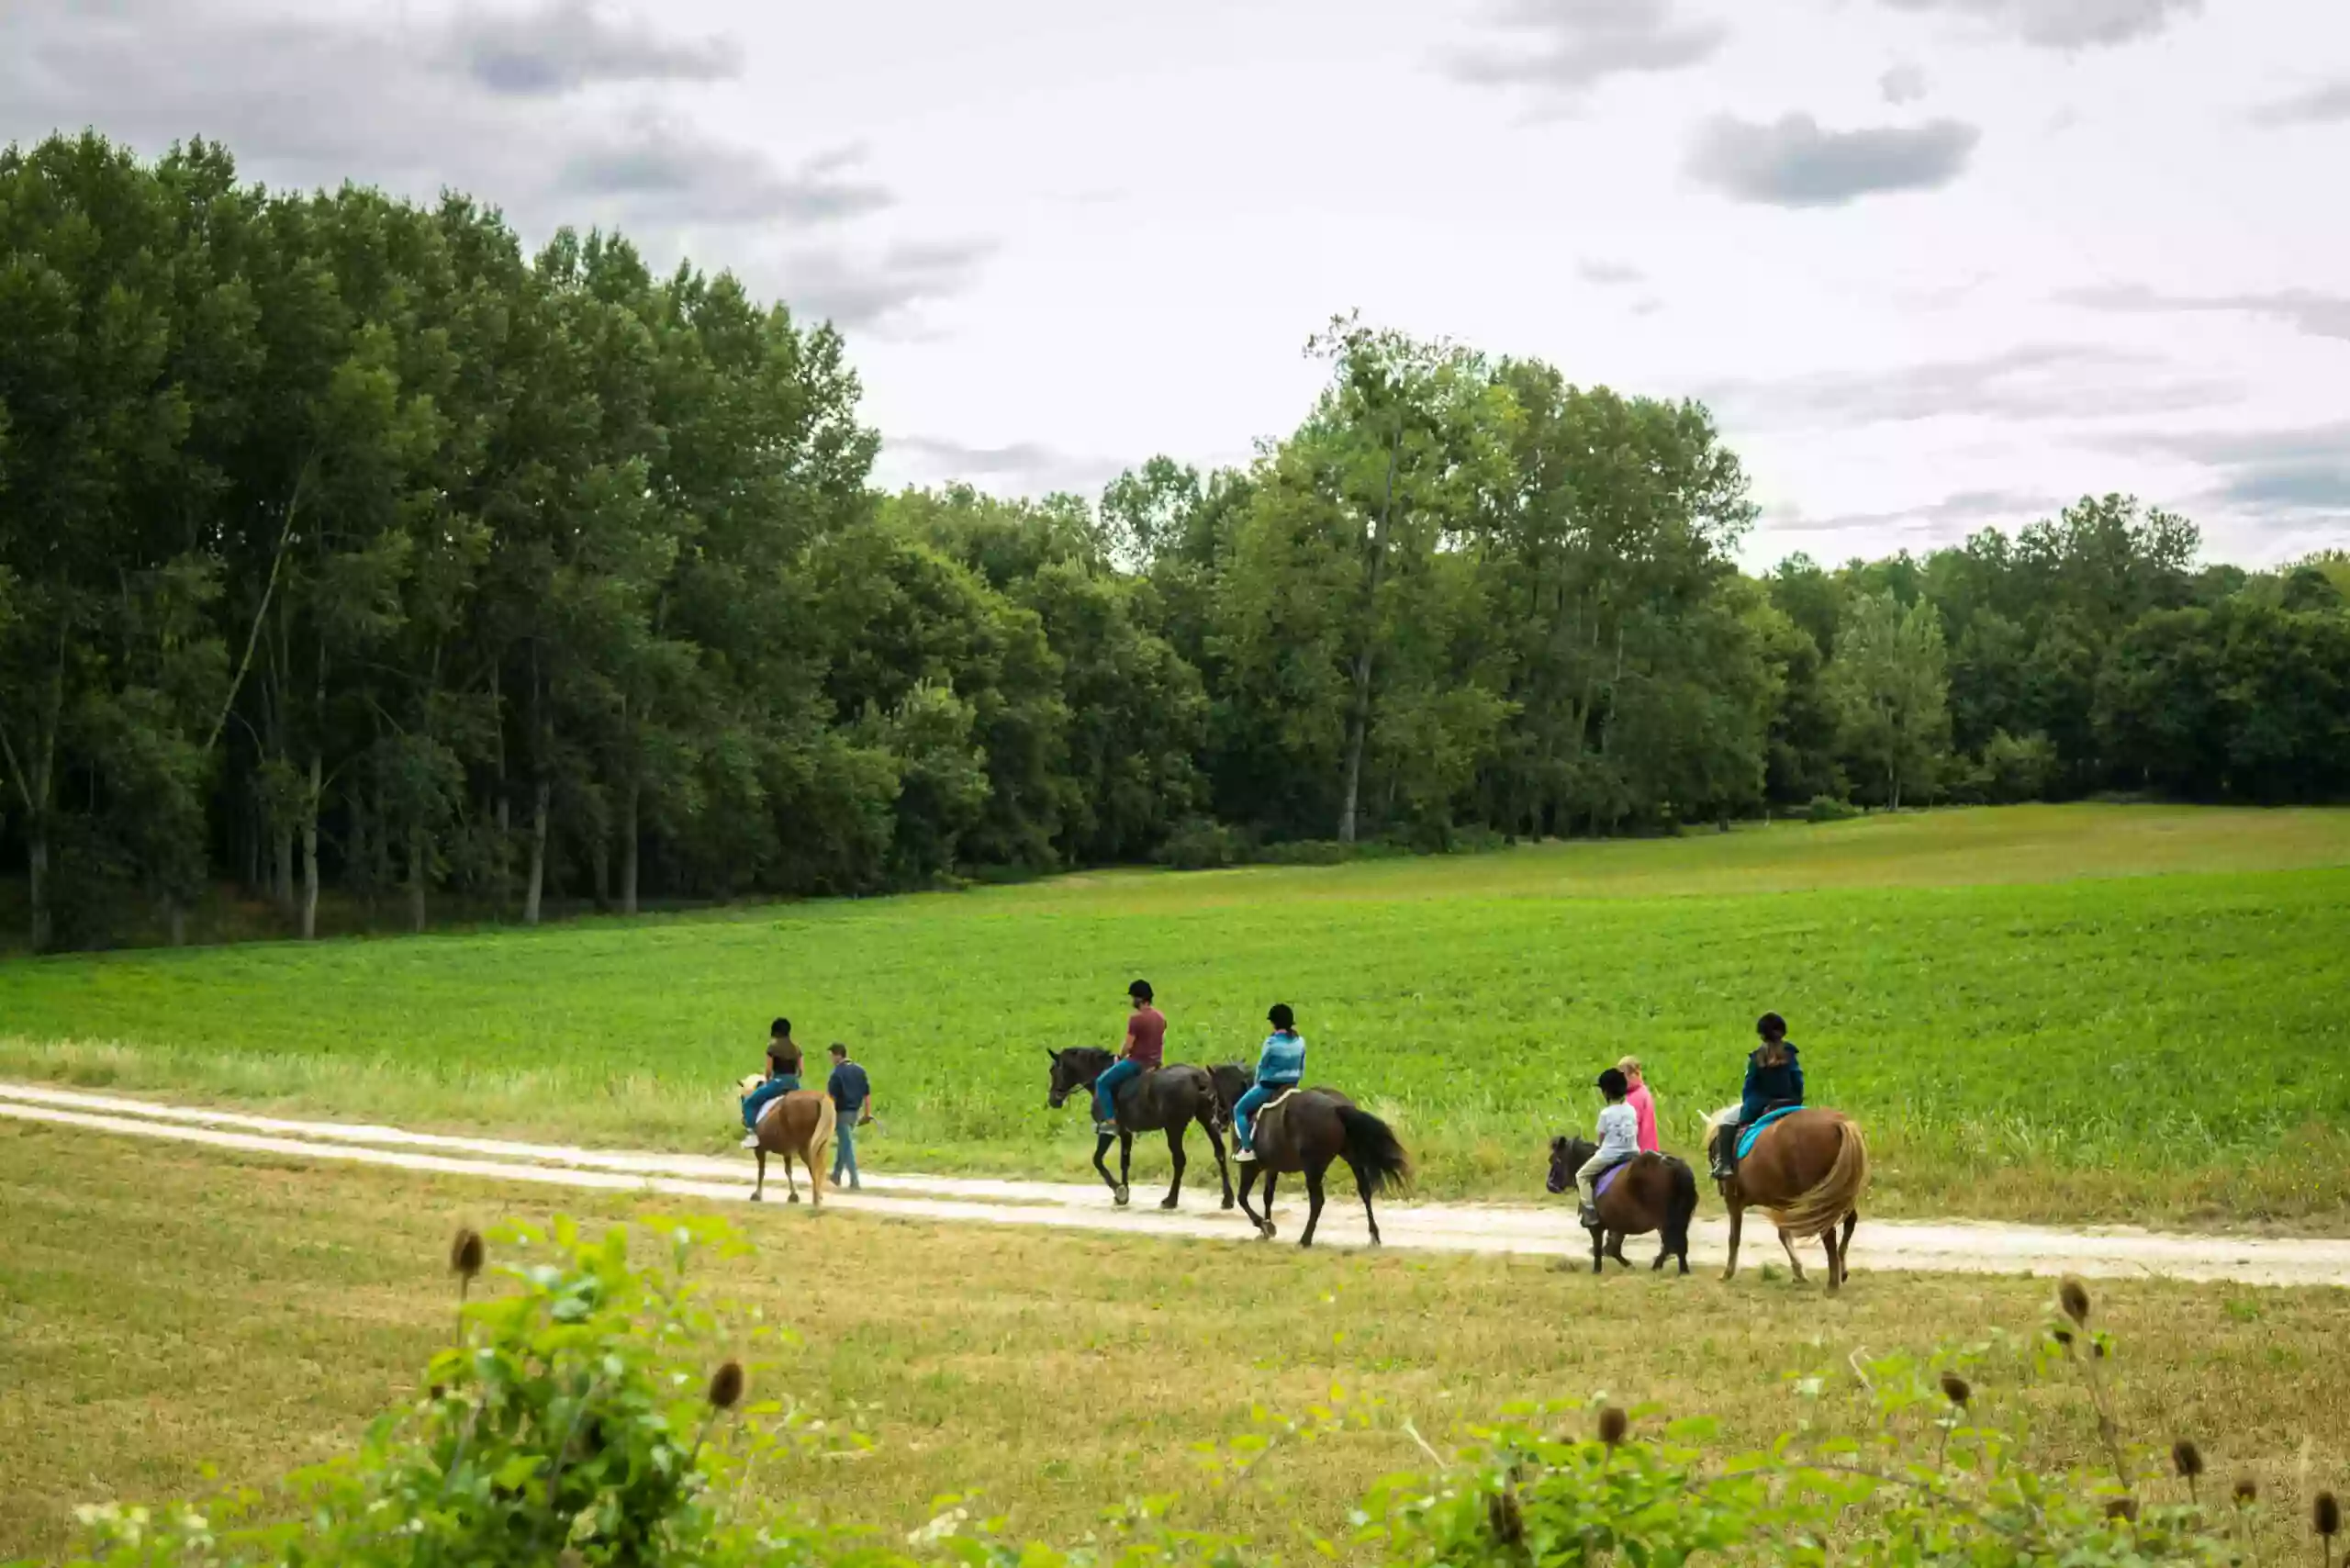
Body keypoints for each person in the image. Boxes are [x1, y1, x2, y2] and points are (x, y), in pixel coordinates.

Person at [1712, 1012, 1805, 1181]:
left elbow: (1749, 1087)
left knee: (1727, 1121)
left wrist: (1749, 1106)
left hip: (1761, 1105)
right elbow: (1798, 1081)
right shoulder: (1790, 1054)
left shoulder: (1757, 1057)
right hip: (1790, 1104)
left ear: (1761, 1036)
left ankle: (1724, 1164)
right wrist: (1796, 1100)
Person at [1233, 1003, 1306, 1161]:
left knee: (1239, 1109)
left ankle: (1247, 1149)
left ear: (1273, 1023)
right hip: (1292, 1086)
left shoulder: (1271, 1042)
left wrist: (1256, 1084)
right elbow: (1302, 1065)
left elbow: (1261, 1066)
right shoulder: (1300, 1041)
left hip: (1269, 1086)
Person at [1092, 980, 1166, 1135]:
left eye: (1133, 997)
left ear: (1140, 998)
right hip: (1155, 1063)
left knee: (1102, 1082)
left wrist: (1119, 1057)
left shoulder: (1136, 1019)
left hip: (1137, 1062)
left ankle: (1111, 1123)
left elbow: (1128, 1045)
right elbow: (1161, 1040)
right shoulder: (1161, 1017)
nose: (1132, 1001)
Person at [1577, 1068, 1640, 1226]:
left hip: (1611, 1154)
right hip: (1633, 1151)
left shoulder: (1606, 1113)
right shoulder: (1631, 1109)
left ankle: (1590, 1211)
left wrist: (1598, 1145)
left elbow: (1601, 1137)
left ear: (1606, 1093)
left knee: (1582, 1176)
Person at [740, 1017, 803, 1149]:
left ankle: (753, 1134)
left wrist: (769, 1080)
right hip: (794, 1084)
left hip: (778, 1082)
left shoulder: (772, 1047)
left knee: (749, 1103)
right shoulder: (796, 1048)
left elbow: (768, 1070)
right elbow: (801, 1071)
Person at [825, 1042, 874, 1191]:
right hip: (855, 1114)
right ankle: (836, 1175)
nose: (831, 1060)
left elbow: (831, 1098)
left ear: (837, 1055)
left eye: (831, 1056)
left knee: (846, 1146)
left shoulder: (836, 1074)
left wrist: (827, 1116)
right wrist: (866, 1113)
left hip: (841, 1114)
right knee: (844, 1144)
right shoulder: (860, 1070)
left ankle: (854, 1180)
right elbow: (867, 1094)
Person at [1617, 1055, 1660, 1155]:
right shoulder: (1642, 1091)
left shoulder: (1635, 1097)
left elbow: (1627, 1127)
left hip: (1636, 1153)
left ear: (1634, 1074)